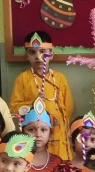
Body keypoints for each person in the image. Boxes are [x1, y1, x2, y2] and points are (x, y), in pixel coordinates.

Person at [9, 31, 74, 160]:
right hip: (34, 133)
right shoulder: (22, 79)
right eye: (32, 52)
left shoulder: (59, 78)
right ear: (27, 56)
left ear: (51, 54)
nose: (38, 57)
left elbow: (68, 108)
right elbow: (14, 109)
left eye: (43, 52)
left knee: (59, 163)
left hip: (58, 133)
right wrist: (33, 104)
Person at [20, 98, 65, 172]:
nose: (38, 134)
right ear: (22, 132)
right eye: (31, 130)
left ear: (50, 134)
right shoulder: (18, 161)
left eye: (43, 130)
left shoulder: (57, 162)